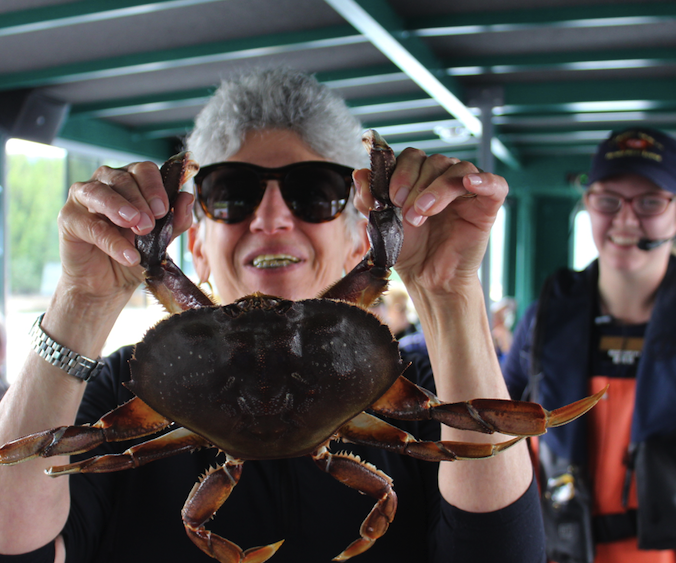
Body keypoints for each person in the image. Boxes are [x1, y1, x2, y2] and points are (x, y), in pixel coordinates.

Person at [0, 68, 543, 563]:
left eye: (314, 192)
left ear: (361, 241)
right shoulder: (122, 392)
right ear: (198, 248)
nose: (271, 217)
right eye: (232, 193)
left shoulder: (416, 393)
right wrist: (80, 302)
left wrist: (451, 293)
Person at [502, 127, 676, 563]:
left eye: (650, 202)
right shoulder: (545, 316)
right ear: (588, 203)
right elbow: (499, 421)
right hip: (555, 547)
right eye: (607, 200)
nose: (625, 220)